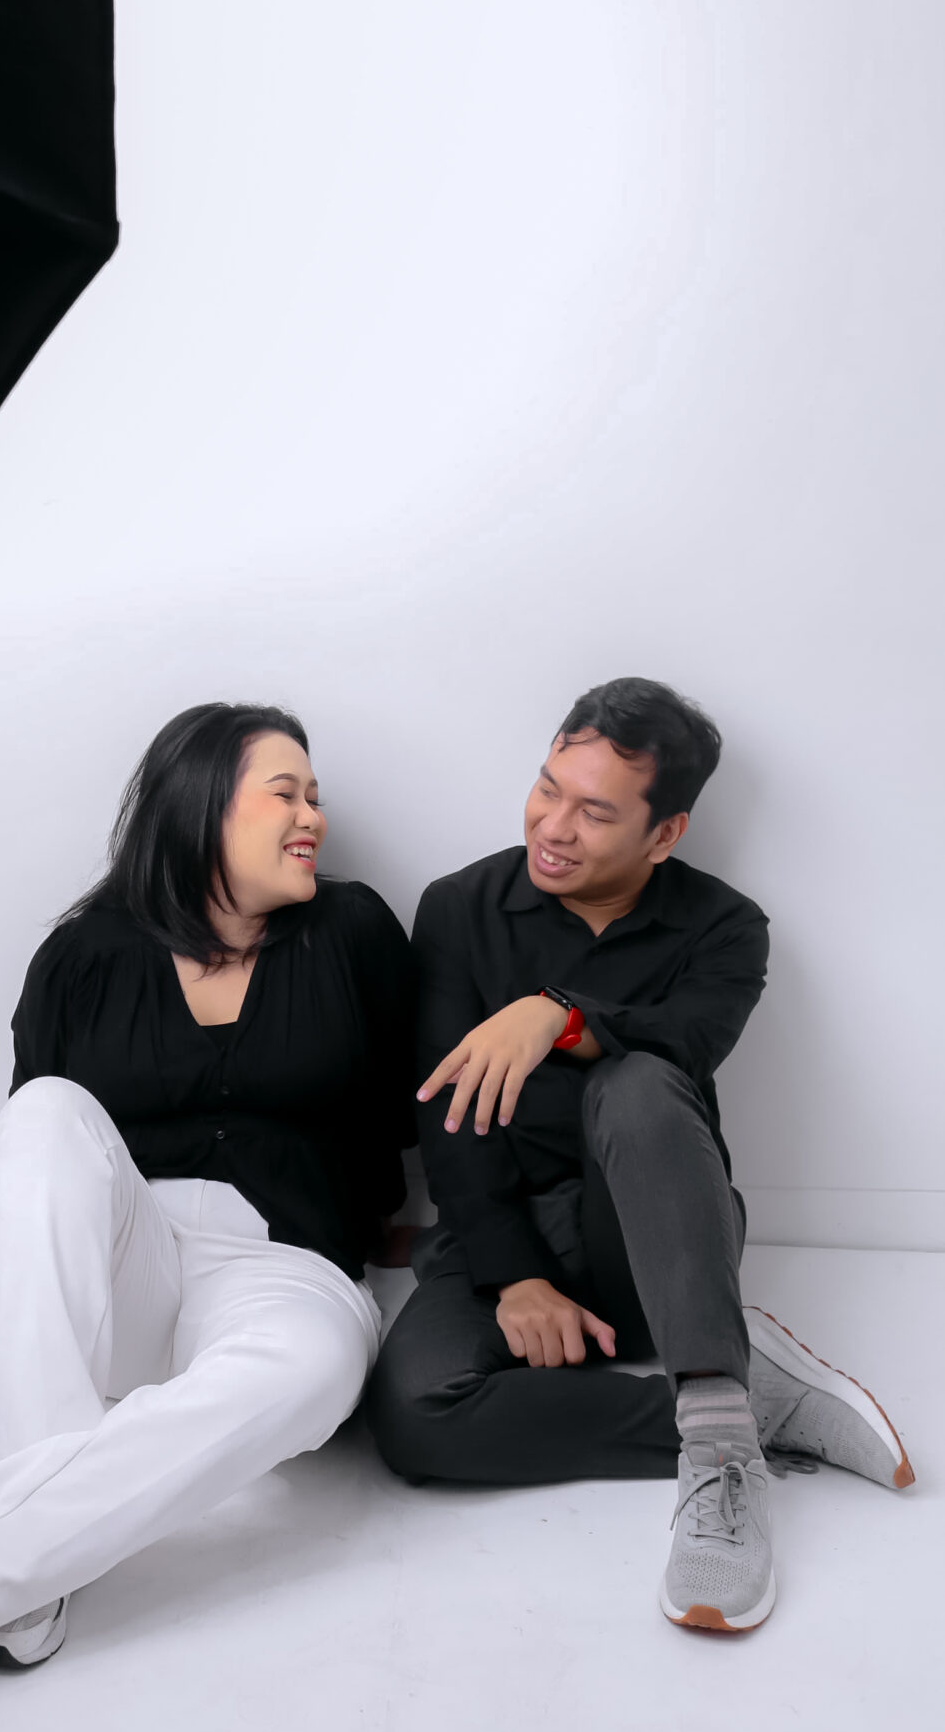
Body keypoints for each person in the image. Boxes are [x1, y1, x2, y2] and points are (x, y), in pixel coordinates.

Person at [0, 701, 416, 1732]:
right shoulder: (82, 955)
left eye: (315, 797)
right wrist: (12, 1202)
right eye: (284, 793)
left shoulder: (353, 931)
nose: (312, 817)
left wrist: (397, 1225)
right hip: (127, 1263)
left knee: (324, 1363)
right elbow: (42, 1137)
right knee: (42, 1111)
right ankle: (23, 1572)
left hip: (282, 1267)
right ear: (202, 807)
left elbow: (400, 1109)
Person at [367, 677, 913, 1633]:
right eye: (548, 788)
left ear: (665, 835)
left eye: (594, 812)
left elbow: (688, 1045)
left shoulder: (726, 928)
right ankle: (740, 1410)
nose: (553, 827)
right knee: (416, 1416)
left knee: (639, 1081)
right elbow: (447, 1115)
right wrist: (515, 1281)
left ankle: (718, 1467)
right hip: (500, 1235)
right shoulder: (459, 907)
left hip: (654, 1234)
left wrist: (561, 1016)